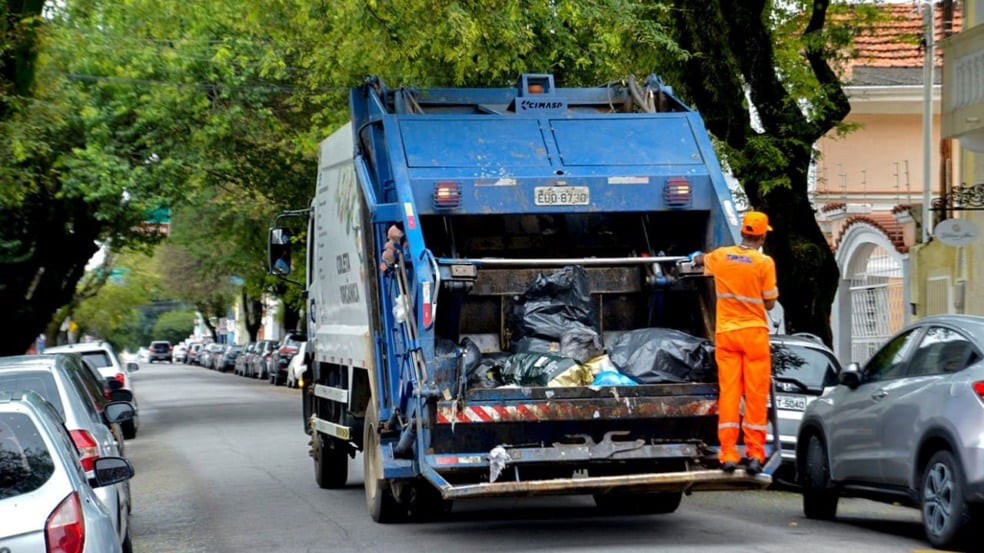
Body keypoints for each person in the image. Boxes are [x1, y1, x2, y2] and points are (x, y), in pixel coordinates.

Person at [689, 211, 778, 476]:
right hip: (754, 335)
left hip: (726, 334)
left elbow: (700, 260)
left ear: (743, 232)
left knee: (729, 393)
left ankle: (727, 453)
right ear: (761, 236)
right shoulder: (764, 263)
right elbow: (770, 302)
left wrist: (695, 256)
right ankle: (754, 454)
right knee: (755, 395)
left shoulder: (722, 256)